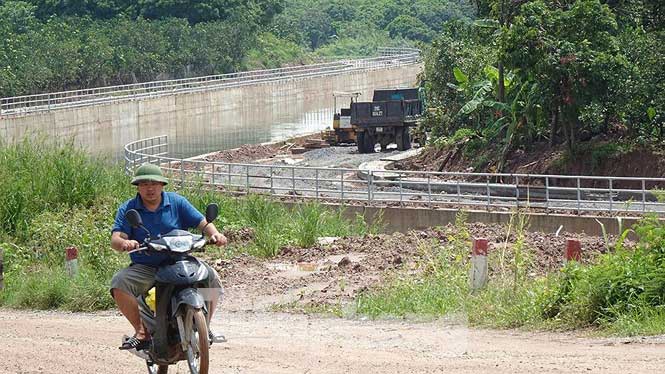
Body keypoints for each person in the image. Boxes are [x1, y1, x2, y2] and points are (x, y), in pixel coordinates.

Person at [110, 163, 228, 350]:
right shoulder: (129, 209)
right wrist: (125, 243)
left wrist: (215, 234)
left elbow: (203, 223)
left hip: (180, 261)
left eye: (154, 183)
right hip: (148, 266)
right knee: (119, 283)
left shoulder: (176, 202)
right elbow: (116, 238)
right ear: (138, 187)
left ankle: (205, 325)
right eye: (145, 184)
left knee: (211, 278)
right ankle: (141, 332)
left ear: (162, 185)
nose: (150, 188)